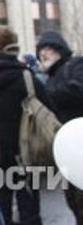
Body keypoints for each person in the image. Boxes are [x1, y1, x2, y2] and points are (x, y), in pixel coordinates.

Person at [0, 25, 54, 225]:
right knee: (30, 209)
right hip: (25, 151)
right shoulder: (27, 77)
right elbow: (49, 108)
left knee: (1, 208)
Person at [35, 31, 83, 223]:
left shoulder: (75, 65)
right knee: (72, 199)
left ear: (59, 50)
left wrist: (49, 91)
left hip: (79, 143)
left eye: (48, 49)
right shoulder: (52, 75)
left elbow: (78, 89)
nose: (43, 54)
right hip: (67, 148)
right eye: (40, 51)